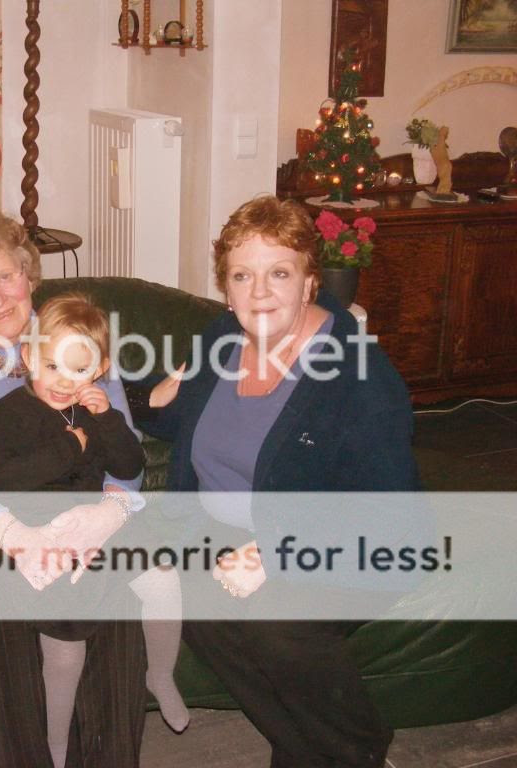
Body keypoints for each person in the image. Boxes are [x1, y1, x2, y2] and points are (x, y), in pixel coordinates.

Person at [133, 195, 420, 767]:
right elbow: (178, 414)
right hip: (220, 534)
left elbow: (389, 512)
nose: (260, 292)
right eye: (243, 275)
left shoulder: (358, 375)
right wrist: (144, 395)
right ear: (227, 288)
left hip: (344, 541)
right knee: (195, 603)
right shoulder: (221, 337)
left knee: (274, 624)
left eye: (279, 273)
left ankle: (360, 750)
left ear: (310, 282)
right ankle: (312, 752)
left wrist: (276, 551)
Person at [0, 209, 149, 768]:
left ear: (29, 276)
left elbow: (123, 445)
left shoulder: (76, 337)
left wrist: (108, 514)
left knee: (115, 584)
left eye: (5, 278)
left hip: (79, 514)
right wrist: (14, 535)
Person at [0, 292, 189, 766]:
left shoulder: (95, 411)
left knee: (162, 576)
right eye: (51, 366)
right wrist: (69, 449)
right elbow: (1, 480)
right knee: (66, 649)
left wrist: (108, 419)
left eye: (79, 370)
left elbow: (130, 465)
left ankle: (160, 674)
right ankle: (55, 747)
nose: (62, 381)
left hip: (97, 525)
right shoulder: (9, 414)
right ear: (28, 356)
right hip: (40, 533)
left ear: (99, 370)